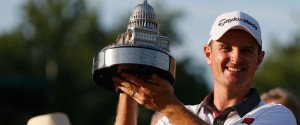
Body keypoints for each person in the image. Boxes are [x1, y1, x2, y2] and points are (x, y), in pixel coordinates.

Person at [112, 11, 297, 125]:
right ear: (208, 54)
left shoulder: (278, 115)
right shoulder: (171, 119)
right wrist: (127, 84)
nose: (236, 58)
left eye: (246, 50)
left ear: (259, 59)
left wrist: (168, 105)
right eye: (226, 48)